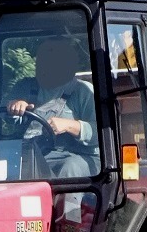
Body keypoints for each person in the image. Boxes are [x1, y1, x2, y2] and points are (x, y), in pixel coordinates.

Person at [6, 37, 98, 177]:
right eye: (41, 61)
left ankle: (66, 200)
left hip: (76, 157)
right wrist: (14, 107)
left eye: (51, 61)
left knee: (70, 168)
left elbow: (101, 134)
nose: (44, 66)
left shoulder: (83, 91)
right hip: (31, 156)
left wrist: (70, 126)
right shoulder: (24, 87)